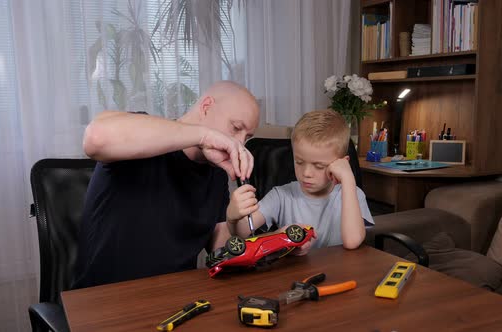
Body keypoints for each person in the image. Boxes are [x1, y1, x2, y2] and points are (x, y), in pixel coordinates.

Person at [73, 81, 260, 288]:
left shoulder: (215, 172)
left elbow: (217, 247)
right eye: (236, 128)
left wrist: (233, 222)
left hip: (171, 301)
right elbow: (96, 138)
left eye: (247, 137)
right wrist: (204, 135)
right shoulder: (143, 135)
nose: (239, 143)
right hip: (105, 299)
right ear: (206, 107)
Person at [227, 109, 373, 254]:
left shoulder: (353, 194)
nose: (306, 173)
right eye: (299, 162)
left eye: (319, 166)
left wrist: (347, 179)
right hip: (294, 274)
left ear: (342, 164)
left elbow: (352, 241)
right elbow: (243, 233)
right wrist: (232, 218)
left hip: (338, 273)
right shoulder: (281, 195)